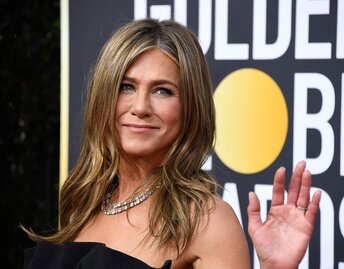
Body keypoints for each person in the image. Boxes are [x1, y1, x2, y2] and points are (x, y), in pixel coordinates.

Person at [23, 18, 321, 269]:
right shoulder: (83, 202)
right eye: (126, 87)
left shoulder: (206, 221)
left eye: (163, 91)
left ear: (190, 107)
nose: (140, 106)